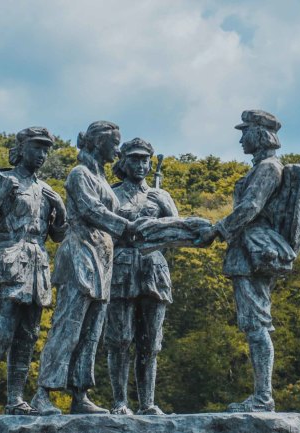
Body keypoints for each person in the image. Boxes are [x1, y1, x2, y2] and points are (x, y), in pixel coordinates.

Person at [31, 121, 137, 415]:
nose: (117, 149)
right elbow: (92, 211)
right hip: (80, 253)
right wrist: (126, 226)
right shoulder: (79, 174)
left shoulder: (101, 177)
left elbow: (118, 213)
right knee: (68, 326)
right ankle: (44, 393)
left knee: (92, 331)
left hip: (103, 258)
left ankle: (79, 392)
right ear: (97, 142)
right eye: (114, 143)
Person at [0, 127, 66, 416]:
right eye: (37, 147)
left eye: (46, 149)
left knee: (28, 335)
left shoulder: (45, 189)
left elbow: (58, 235)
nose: (42, 154)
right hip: (7, 261)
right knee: (0, 335)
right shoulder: (0, 179)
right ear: (21, 149)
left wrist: (60, 206)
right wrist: (0, 196)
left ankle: (16, 399)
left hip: (37, 266)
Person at [195, 110, 285, 412]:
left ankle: (263, 397)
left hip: (253, 252)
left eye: (244, 132)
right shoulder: (261, 167)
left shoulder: (269, 168)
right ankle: (262, 395)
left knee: (257, 325)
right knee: (253, 325)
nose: (240, 138)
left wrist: (219, 229)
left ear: (259, 134)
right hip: (245, 251)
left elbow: (251, 206)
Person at [105, 138, 178, 415]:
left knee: (151, 341)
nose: (141, 165)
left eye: (145, 159)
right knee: (120, 338)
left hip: (153, 270)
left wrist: (167, 209)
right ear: (123, 162)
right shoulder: (111, 194)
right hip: (122, 268)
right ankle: (119, 402)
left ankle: (147, 402)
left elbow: (176, 233)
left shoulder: (161, 195)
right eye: (134, 159)